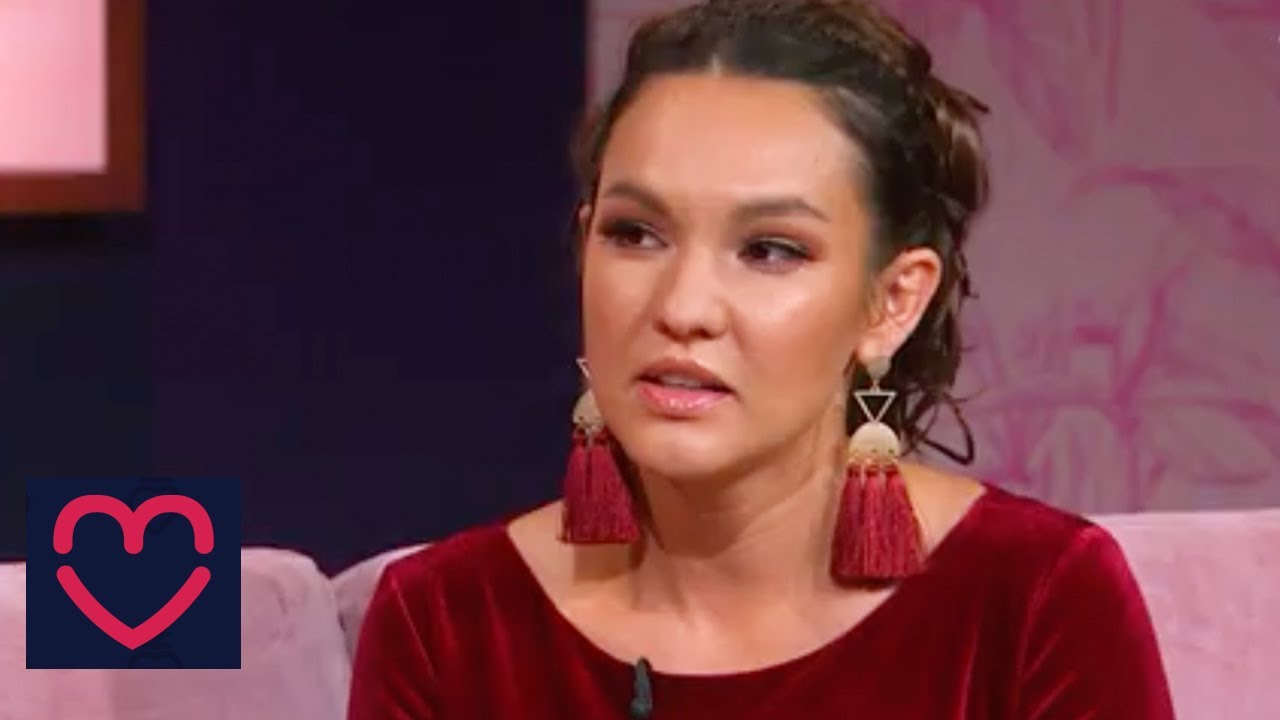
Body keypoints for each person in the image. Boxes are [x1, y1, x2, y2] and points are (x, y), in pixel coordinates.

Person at [347, 1, 1175, 717]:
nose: (682, 308)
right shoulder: (447, 624)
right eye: (635, 234)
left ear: (893, 302)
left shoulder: (1034, 600)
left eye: (771, 250)